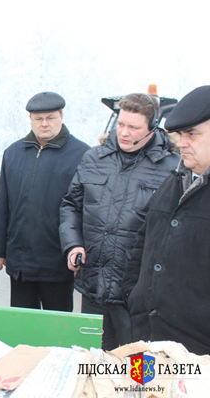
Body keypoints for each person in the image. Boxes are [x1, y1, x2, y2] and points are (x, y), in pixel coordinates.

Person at [59, 93, 179, 350]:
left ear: (152, 128)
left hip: (136, 296)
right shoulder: (94, 158)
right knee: (94, 361)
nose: (124, 133)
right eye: (121, 124)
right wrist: (73, 244)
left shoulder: (172, 167)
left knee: (137, 366)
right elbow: (71, 205)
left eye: (134, 127)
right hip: (93, 286)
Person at [122, 86, 210, 355]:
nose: (181, 143)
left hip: (197, 351)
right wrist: (134, 293)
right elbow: (143, 241)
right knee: (141, 383)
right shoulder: (172, 182)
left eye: (192, 134)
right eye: (180, 135)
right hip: (146, 336)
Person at [0, 92, 89, 312]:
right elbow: (2, 206)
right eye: (38, 118)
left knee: (57, 329)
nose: (44, 124)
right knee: (20, 327)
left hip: (58, 264)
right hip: (20, 264)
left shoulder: (83, 155)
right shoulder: (13, 153)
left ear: (61, 117)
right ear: (30, 119)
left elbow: (86, 210)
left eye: (51, 118)